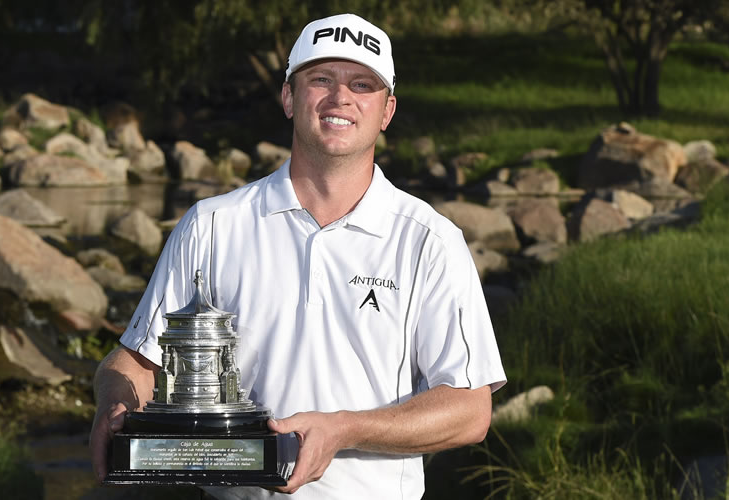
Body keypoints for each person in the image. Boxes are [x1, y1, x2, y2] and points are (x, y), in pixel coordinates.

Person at [90, 13, 506, 499]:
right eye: (320, 79)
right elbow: (136, 360)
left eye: (362, 84)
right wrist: (114, 402)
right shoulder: (212, 225)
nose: (341, 98)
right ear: (289, 97)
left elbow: (470, 410)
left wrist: (344, 428)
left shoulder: (430, 242)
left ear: (387, 111)